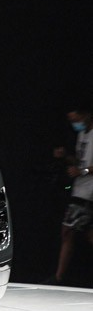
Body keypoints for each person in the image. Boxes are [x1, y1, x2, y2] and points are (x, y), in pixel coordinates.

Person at [47, 101, 93, 285]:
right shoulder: (82, 134)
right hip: (81, 188)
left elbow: (84, 168)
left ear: (86, 114)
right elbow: (82, 161)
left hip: (87, 191)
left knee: (68, 230)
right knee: (86, 233)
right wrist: (66, 157)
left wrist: (83, 172)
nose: (75, 123)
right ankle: (59, 276)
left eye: (76, 119)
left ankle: (59, 277)